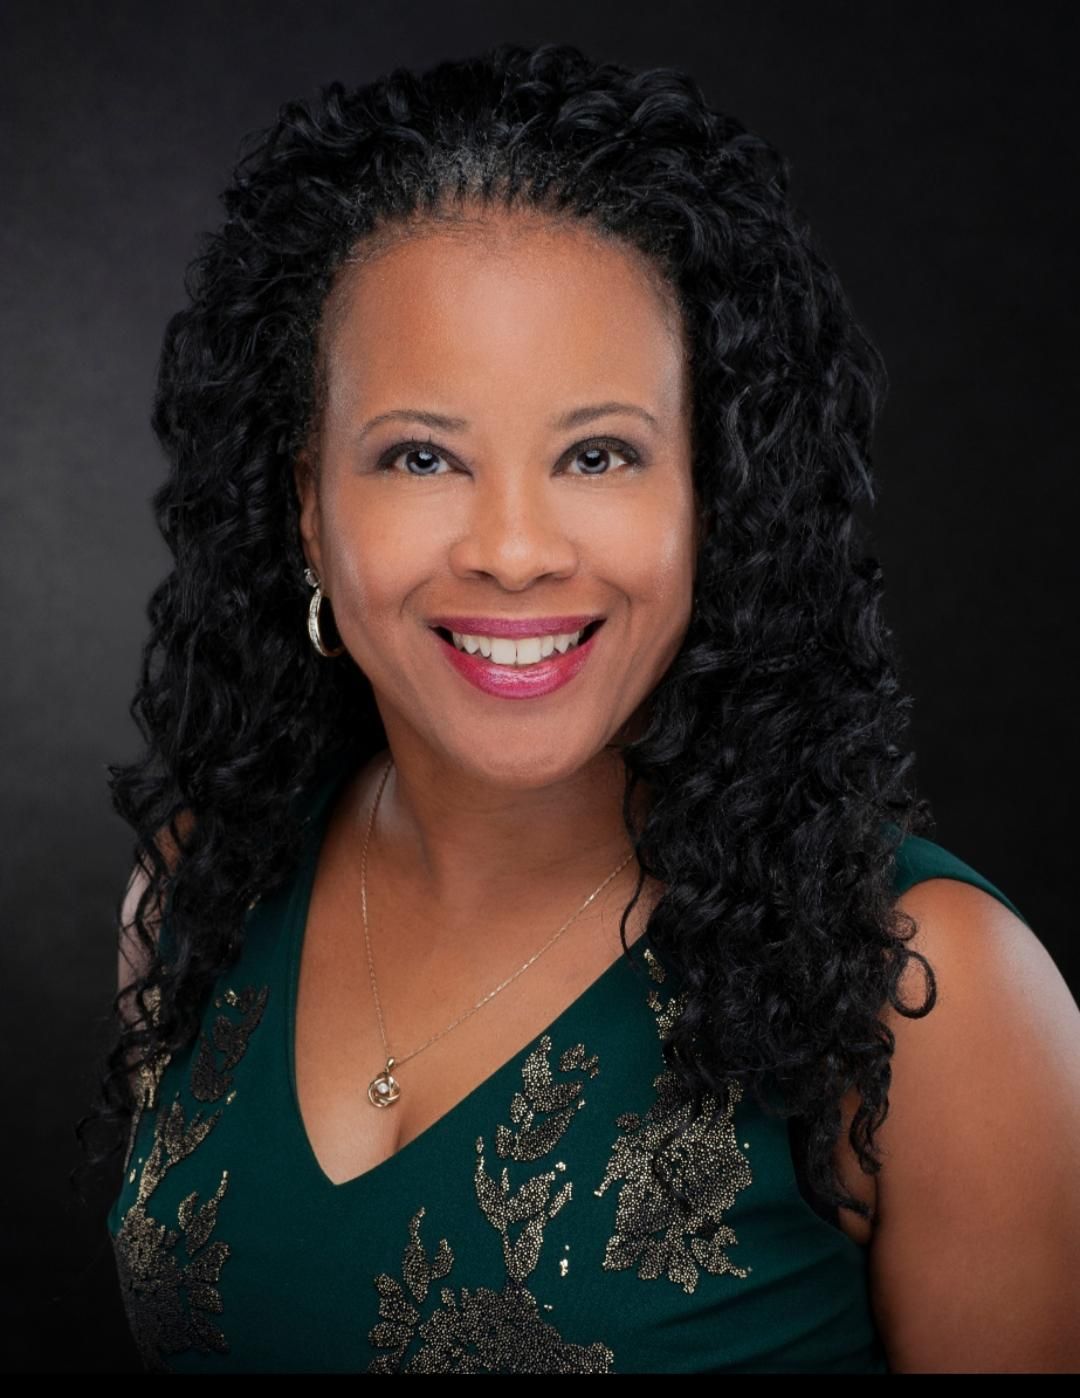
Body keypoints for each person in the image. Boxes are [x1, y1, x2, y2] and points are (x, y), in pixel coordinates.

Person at [78, 41, 1080, 1373]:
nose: (512, 547)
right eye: (421, 454)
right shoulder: (198, 887)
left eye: (599, 453)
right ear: (306, 509)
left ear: (713, 502)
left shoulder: (928, 993)